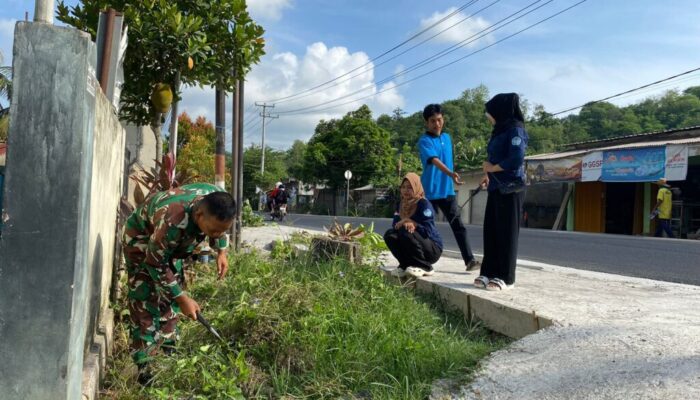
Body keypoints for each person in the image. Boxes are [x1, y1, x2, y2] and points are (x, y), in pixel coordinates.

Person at [122, 182, 236, 384]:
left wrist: (222, 251)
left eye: (222, 231)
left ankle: (167, 350)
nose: (217, 234)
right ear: (199, 215)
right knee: (145, 299)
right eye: (213, 230)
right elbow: (155, 262)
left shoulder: (217, 201)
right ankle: (146, 367)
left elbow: (221, 227)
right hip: (142, 241)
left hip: (172, 246)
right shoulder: (171, 220)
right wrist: (182, 297)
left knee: (169, 296)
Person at [473, 93, 528, 291]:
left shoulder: (515, 129)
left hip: (511, 189)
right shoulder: (499, 131)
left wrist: (492, 168)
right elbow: (493, 158)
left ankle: (506, 277)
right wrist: (487, 175)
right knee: (492, 231)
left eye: (490, 112)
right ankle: (488, 272)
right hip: (496, 187)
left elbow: (516, 159)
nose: (488, 116)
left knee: (507, 233)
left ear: (500, 110)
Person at [418, 103, 480, 271]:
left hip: (447, 191)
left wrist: (452, 176)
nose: (436, 124)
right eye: (432, 121)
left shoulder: (447, 138)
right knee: (424, 227)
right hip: (429, 192)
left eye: (439, 120)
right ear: (426, 123)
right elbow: (435, 160)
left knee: (458, 226)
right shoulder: (424, 140)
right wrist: (450, 173)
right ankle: (422, 261)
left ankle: (470, 260)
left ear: (443, 119)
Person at [384, 173, 443, 278]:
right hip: (413, 242)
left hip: (432, 249)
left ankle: (425, 267)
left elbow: (427, 232)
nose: (406, 190)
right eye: (403, 187)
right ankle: (405, 264)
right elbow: (395, 226)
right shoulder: (401, 204)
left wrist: (414, 224)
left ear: (416, 187)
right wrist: (404, 222)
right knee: (390, 234)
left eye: (410, 187)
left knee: (406, 231)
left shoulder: (423, 204)